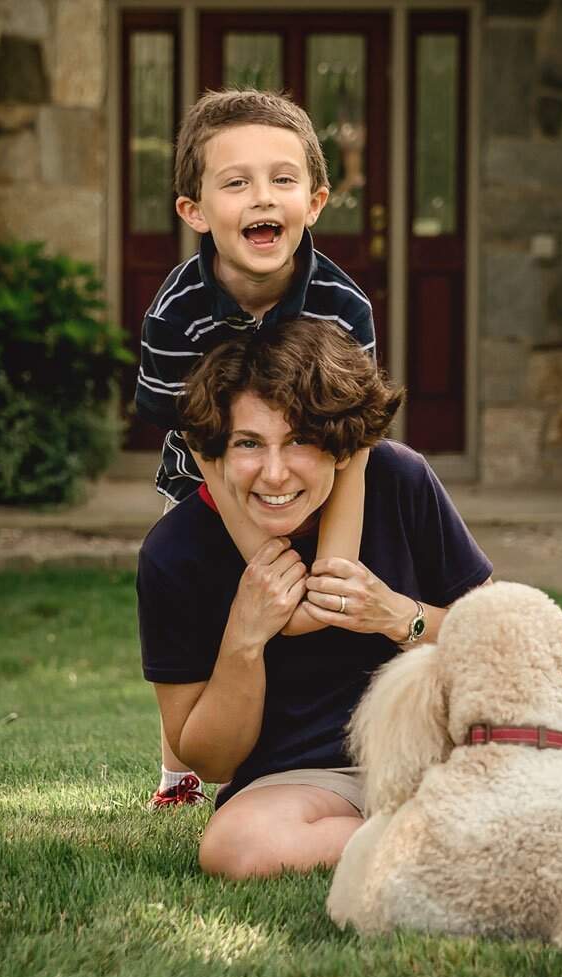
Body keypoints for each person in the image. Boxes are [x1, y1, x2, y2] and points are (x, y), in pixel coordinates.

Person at [135, 319, 494, 879]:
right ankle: (470, 834)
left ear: (343, 447)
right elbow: (211, 762)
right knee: (237, 847)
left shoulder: (399, 479)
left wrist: (398, 615)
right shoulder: (175, 550)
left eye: (300, 439)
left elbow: (500, 642)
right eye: (249, 443)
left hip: (440, 752)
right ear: (218, 451)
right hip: (304, 784)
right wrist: (244, 639)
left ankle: (474, 820)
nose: (274, 474)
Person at [133, 89, 381, 808]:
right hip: (207, 475)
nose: (262, 196)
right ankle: (179, 762)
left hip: (315, 470)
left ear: (316, 201)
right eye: (236, 182)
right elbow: (197, 440)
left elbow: (357, 436)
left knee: (320, 599)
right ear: (194, 211)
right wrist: (260, 556)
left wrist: (332, 569)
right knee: (197, 605)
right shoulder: (175, 315)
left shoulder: (344, 308)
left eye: (282, 179)